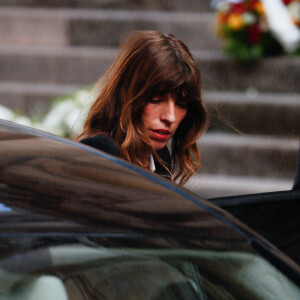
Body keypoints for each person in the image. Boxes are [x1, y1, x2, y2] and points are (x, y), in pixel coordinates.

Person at [76, 30, 208, 185]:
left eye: (181, 104)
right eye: (156, 100)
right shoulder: (100, 151)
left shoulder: (160, 158)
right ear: (129, 95)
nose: (170, 117)